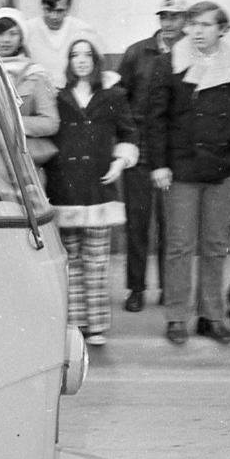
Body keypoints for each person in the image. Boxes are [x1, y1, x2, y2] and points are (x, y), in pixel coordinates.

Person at [147, 1, 230, 345]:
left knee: (215, 245)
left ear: (222, 29)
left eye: (205, 25)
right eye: (192, 24)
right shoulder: (169, 63)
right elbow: (156, 118)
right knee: (180, 245)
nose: (196, 30)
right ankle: (177, 317)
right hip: (180, 168)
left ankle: (211, 316)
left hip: (223, 167)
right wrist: (160, 164)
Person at [45, 38, 138, 346]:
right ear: (69, 62)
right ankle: (73, 325)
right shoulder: (57, 96)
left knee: (97, 260)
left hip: (99, 187)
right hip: (65, 188)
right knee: (69, 261)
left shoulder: (113, 95)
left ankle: (96, 325)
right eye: (75, 55)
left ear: (96, 60)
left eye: (87, 55)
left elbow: (128, 132)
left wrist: (120, 161)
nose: (81, 60)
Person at [116, 0, 189, 312]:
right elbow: (119, 99)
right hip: (141, 149)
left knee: (171, 225)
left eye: (175, 17)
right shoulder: (136, 53)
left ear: (184, 20)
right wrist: (125, 140)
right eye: (164, 16)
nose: (169, 23)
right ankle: (136, 288)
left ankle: (168, 287)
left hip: (175, 152)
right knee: (138, 223)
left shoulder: (190, 54)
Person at [0, 7, 58, 167]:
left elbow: (51, 122)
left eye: (13, 33)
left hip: (25, 163)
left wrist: (12, 122)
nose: (6, 40)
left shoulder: (36, 74)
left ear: (21, 37)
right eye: (0, 33)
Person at [25, 0, 102, 88]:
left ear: (69, 7)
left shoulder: (83, 30)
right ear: (41, 5)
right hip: (39, 93)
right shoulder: (27, 29)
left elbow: (95, 68)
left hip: (71, 93)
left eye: (60, 11)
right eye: (48, 10)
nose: (54, 16)